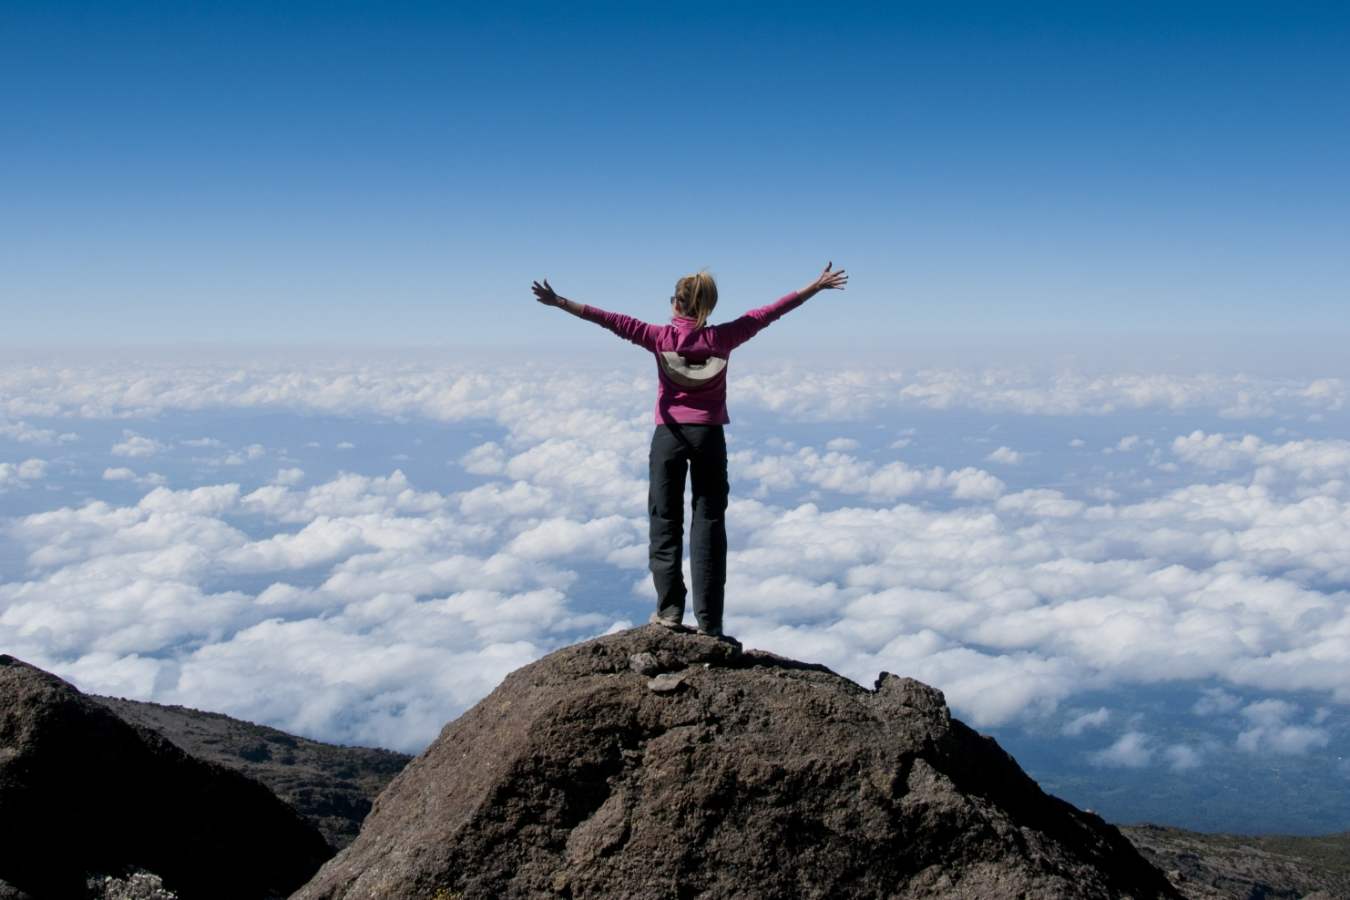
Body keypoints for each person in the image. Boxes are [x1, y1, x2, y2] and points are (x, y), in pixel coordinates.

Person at [531, 263, 848, 637]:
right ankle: (710, 622)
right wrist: (814, 286)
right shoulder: (724, 338)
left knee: (664, 522)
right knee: (709, 525)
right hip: (709, 437)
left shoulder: (657, 336)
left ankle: (669, 612)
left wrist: (559, 302)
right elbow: (770, 312)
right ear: (706, 307)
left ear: (676, 304)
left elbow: (607, 319)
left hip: (668, 436)